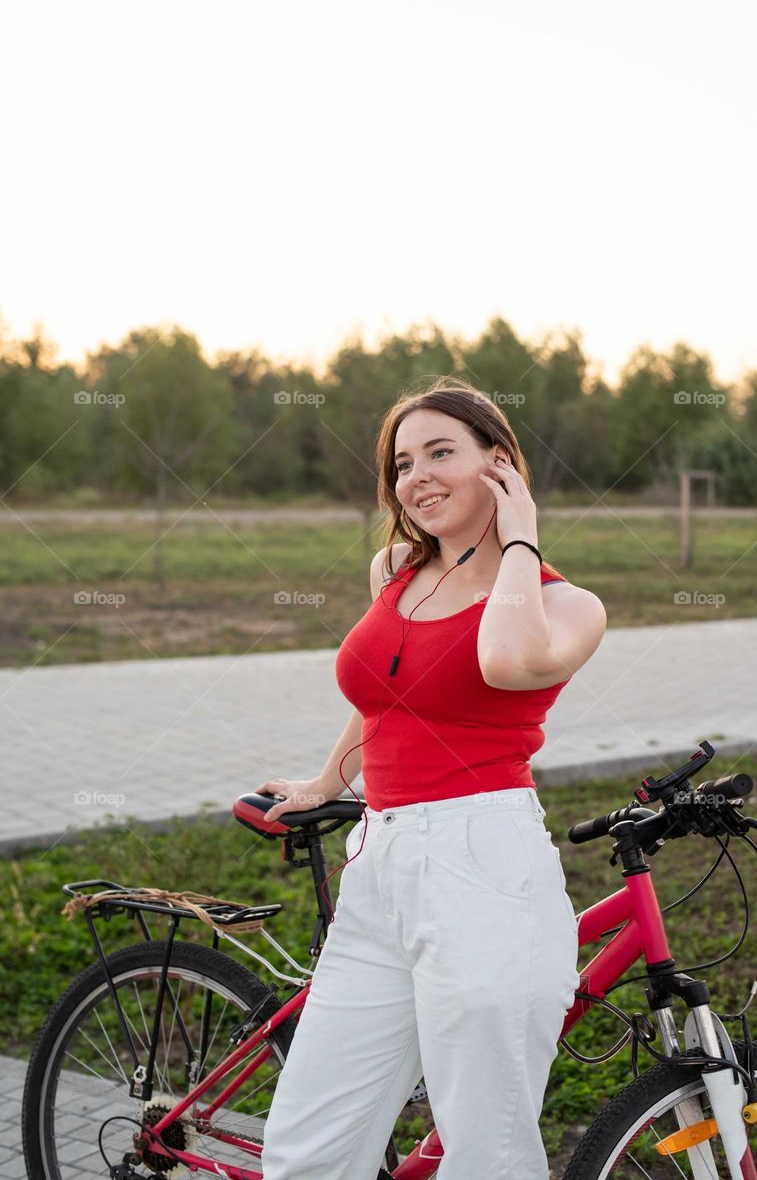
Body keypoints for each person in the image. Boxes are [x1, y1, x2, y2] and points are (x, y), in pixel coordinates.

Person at [257, 379, 607, 1180]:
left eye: (441, 452)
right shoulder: (396, 571)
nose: (416, 477)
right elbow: (386, 696)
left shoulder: (569, 605)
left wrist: (517, 537)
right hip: (379, 867)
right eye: (402, 462)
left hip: (483, 869)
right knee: (310, 1146)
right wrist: (325, 780)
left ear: (500, 462)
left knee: (486, 1155)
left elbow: (506, 659)